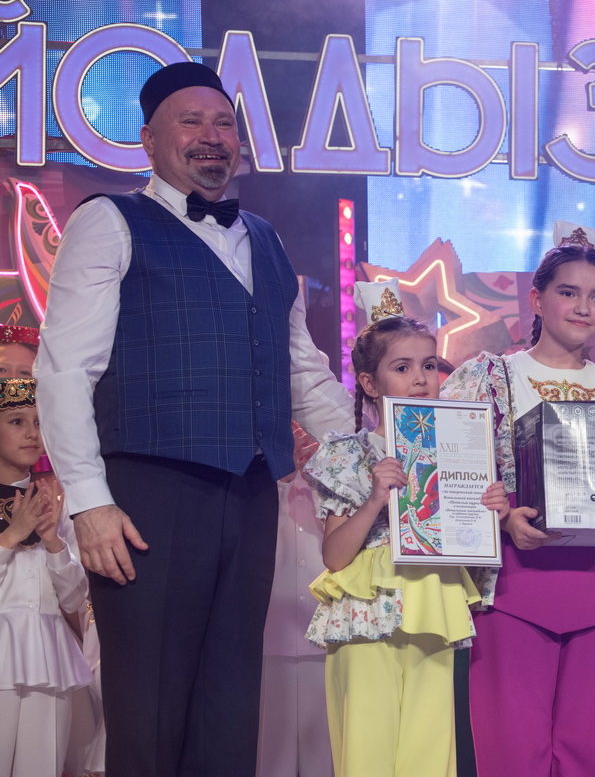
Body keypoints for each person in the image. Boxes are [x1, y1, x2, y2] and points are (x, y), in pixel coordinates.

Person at [34, 61, 354, 776]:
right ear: (149, 140)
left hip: (251, 494)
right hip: (148, 494)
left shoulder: (265, 238)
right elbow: (64, 370)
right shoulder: (109, 221)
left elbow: (303, 372)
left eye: (224, 123)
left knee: (230, 706)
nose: (212, 136)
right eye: (191, 121)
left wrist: (371, 464)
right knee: (149, 710)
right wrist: (88, 502)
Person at [441, 239, 595, 777]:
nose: (584, 307)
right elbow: (449, 479)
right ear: (536, 299)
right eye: (568, 292)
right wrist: (503, 519)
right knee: (512, 748)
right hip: (513, 584)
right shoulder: (487, 377)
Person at [303, 280, 508, 777]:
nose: (421, 378)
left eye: (429, 365)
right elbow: (334, 557)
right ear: (370, 383)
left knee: (430, 750)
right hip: (368, 611)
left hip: (433, 601)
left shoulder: (461, 447)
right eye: (402, 367)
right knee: (368, 748)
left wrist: (489, 514)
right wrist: (376, 498)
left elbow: (468, 549)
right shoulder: (348, 453)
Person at [0, 378, 91, 777]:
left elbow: (73, 599)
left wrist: (53, 541)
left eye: (39, 422)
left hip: (50, 655)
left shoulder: (55, 503)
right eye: (17, 421)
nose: (32, 433)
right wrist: (12, 537)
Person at [257, 422, 332, 777]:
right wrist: (283, 478)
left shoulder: (335, 483)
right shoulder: (260, 485)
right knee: (271, 757)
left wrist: (321, 475)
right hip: (272, 630)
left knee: (325, 756)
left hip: (326, 631)